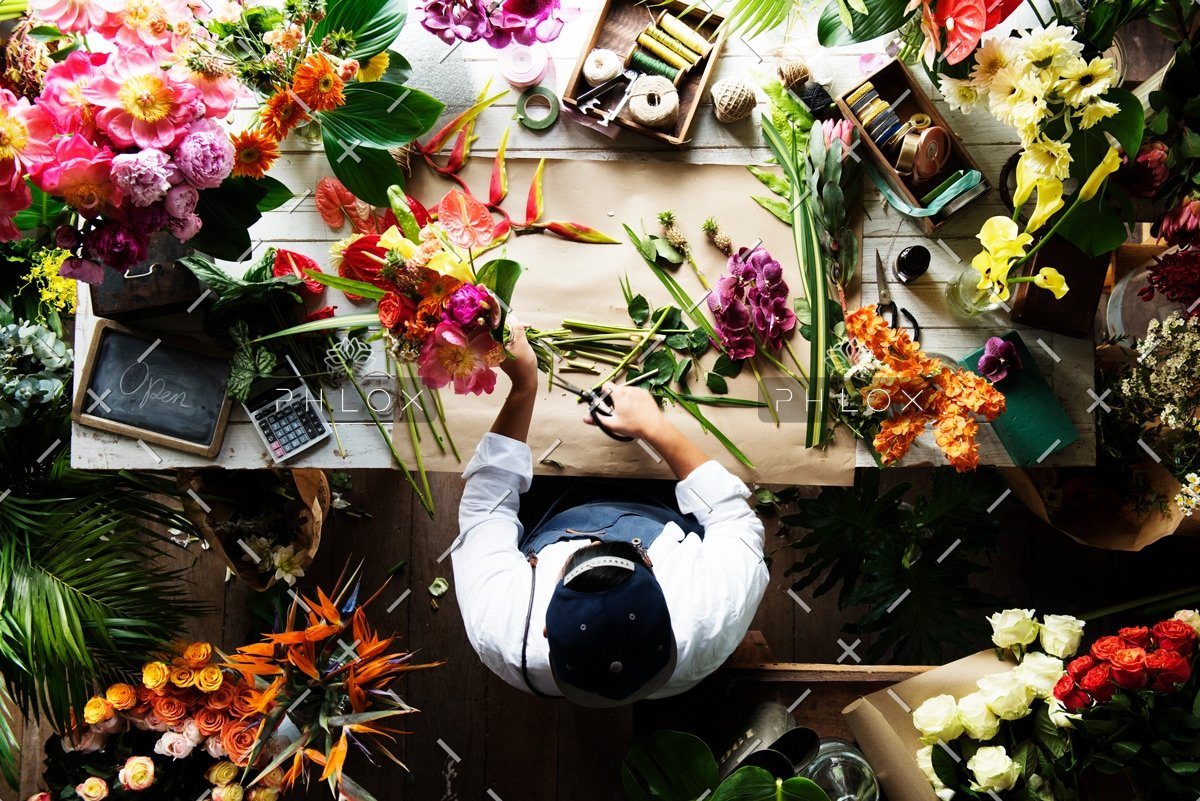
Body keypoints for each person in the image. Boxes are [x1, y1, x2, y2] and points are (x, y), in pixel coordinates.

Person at [451, 324, 769, 707]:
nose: (598, 537)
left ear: (546, 629)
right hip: (660, 508)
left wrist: (524, 386)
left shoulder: (500, 626)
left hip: (555, 509)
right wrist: (655, 427)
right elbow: (735, 517)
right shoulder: (714, 613)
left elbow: (487, 504)